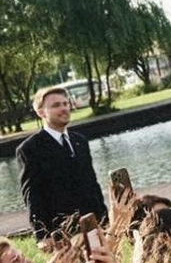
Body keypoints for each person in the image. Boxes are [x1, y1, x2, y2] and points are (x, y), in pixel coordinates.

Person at [16, 86, 109, 243]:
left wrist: (104, 219)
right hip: (60, 232)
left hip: (92, 225)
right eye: (56, 105)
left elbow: (92, 184)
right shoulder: (30, 149)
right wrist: (42, 235)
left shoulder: (80, 141)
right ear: (41, 112)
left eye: (65, 104)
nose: (64, 108)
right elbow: (32, 195)